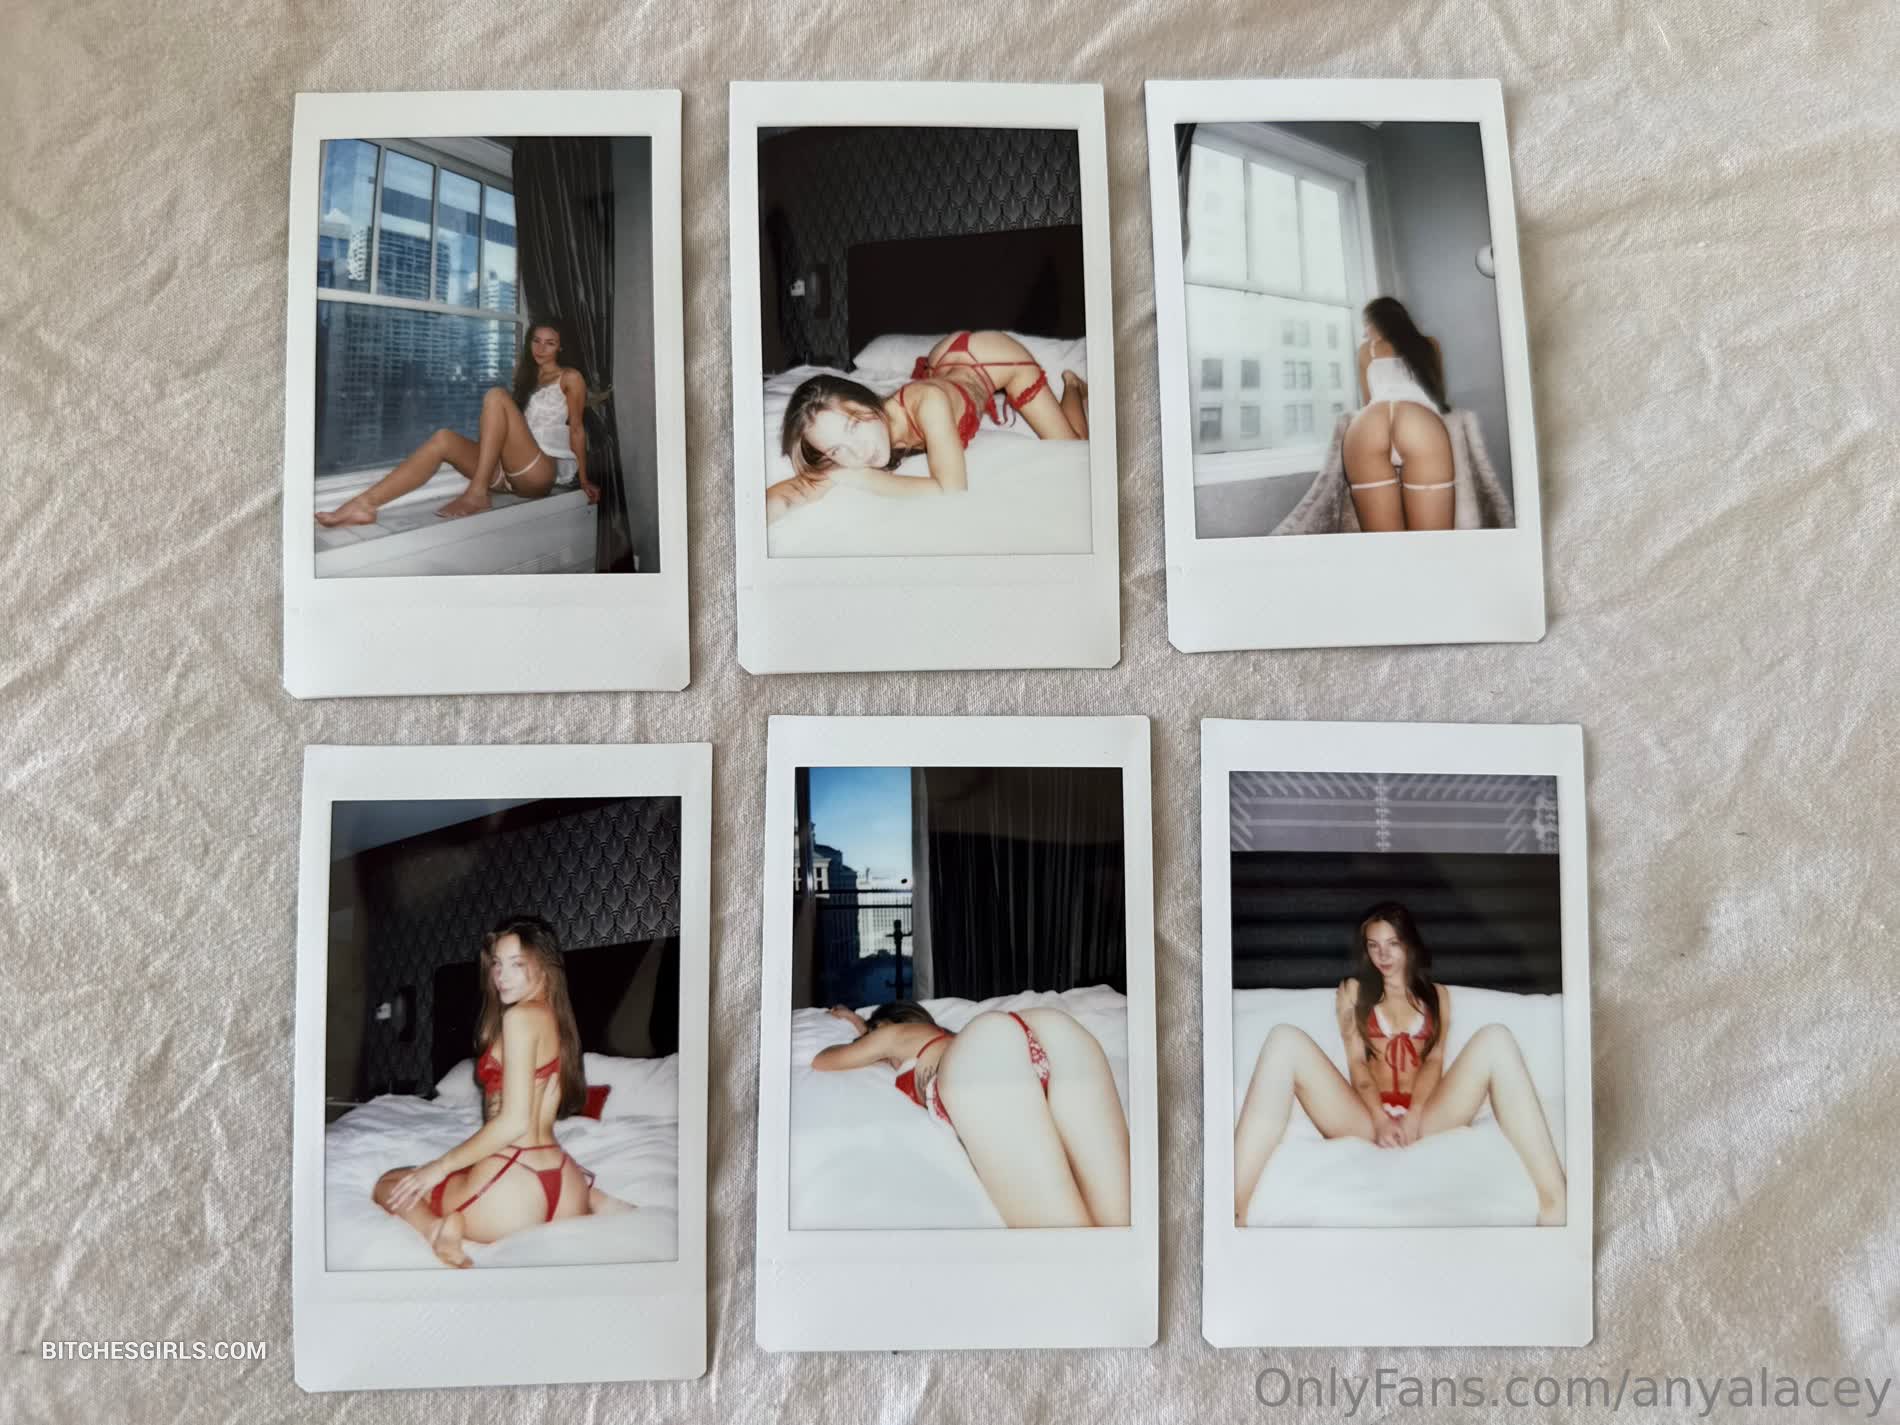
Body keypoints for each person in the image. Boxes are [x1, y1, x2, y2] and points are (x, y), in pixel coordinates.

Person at [1232, 902, 1567, 1228]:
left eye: (1393, 944)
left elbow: (1433, 1062)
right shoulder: (1353, 992)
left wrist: (1415, 1115)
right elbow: (1357, 1065)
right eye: (1374, 945)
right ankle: (1234, 1207)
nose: (1383, 955)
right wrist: (1380, 1120)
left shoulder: (1437, 996)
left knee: (1496, 1038)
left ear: (1409, 945)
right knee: (1284, 1039)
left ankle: (1556, 1200)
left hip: (1425, 1116)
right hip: (1366, 1117)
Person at [373, 916, 633, 1267]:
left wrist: (440, 1166)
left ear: (544, 967)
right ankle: (595, 1198)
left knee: (390, 1182)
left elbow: (513, 1122)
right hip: (565, 1183)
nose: (501, 976)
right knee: (419, 1172)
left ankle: (436, 1230)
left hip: (513, 1187)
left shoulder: (519, 1018)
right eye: (497, 964)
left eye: (516, 964)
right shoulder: (556, 1019)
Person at [813, 999, 1129, 1228]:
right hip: (1050, 1029)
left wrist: (860, 1026)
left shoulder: (894, 1036)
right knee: (1121, 1222)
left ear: (882, 1026)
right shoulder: (945, 1036)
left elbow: (825, 1060)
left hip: (985, 1057)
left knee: (1067, 1247)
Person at [766, 330, 1090, 524]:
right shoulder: (864, 439)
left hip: (992, 359)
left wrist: (863, 478)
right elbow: (797, 491)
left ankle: (1073, 385)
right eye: (837, 450)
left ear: (866, 401)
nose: (859, 452)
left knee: (1073, 445)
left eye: (853, 426)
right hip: (944, 365)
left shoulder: (929, 402)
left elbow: (952, 490)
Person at [316, 320, 601, 528]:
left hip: (538, 473)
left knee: (496, 395)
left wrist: (584, 479)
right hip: (506, 472)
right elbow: (504, 431)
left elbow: (577, 429)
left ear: (561, 346)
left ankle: (477, 492)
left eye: (550, 343)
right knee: (444, 438)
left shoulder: (570, 377)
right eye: (536, 341)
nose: (541, 348)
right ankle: (364, 504)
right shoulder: (526, 376)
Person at [1344, 296, 1455, 533]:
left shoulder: (1365, 351)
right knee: (1432, 544)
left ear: (1379, 322)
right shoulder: (1430, 345)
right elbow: (1437, 393)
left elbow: (1368, 401)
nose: (1365, 332)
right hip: (1418, 424)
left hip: (1367, 426)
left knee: (1386, 546)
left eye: (1367, 324)